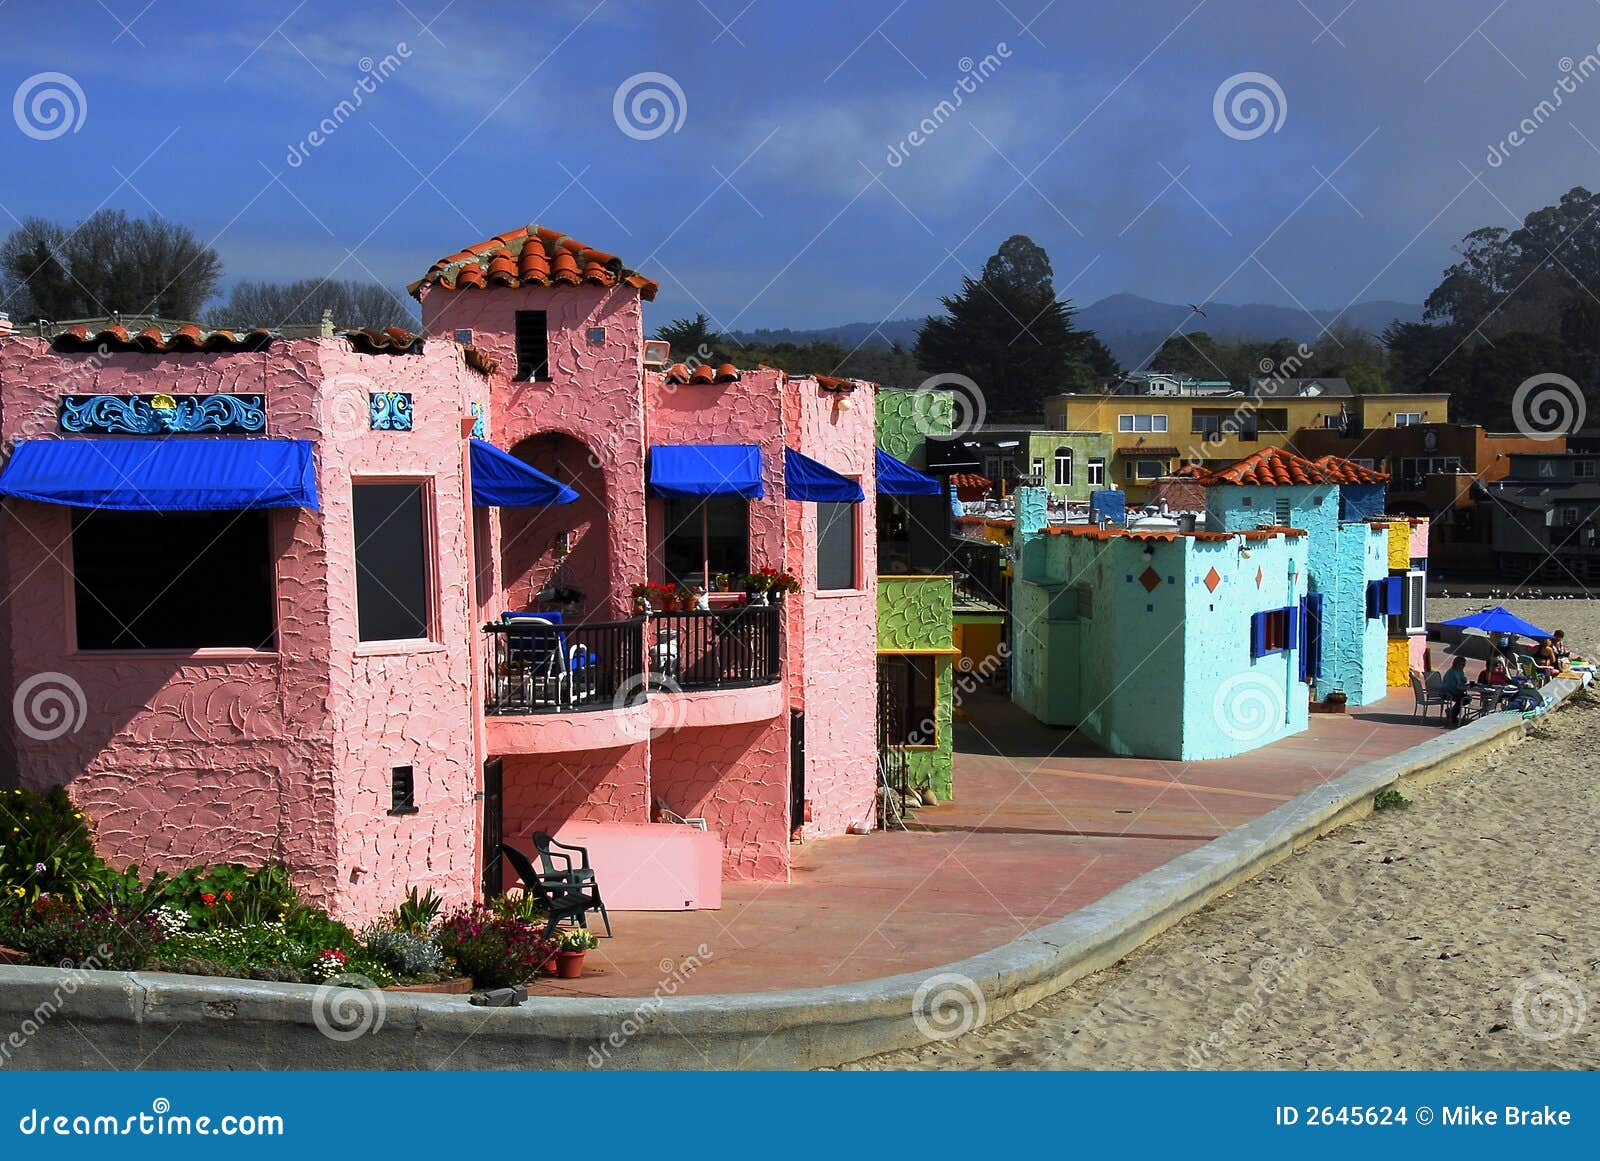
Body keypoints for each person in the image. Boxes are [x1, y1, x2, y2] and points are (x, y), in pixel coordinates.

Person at [1442, 655, 1470, 726]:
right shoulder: (1451, 672)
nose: (1463, 666)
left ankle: (1451, 712)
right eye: (1461, 664)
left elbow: (1461, 682)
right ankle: (1453, 716)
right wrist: (1460, 687)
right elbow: (1449, 685)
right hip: (1448, 692)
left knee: (1467, 698)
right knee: (1462, 699)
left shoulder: (1461, 672)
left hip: (1457, 691)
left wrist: (1464, 682)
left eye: (1464, 664)